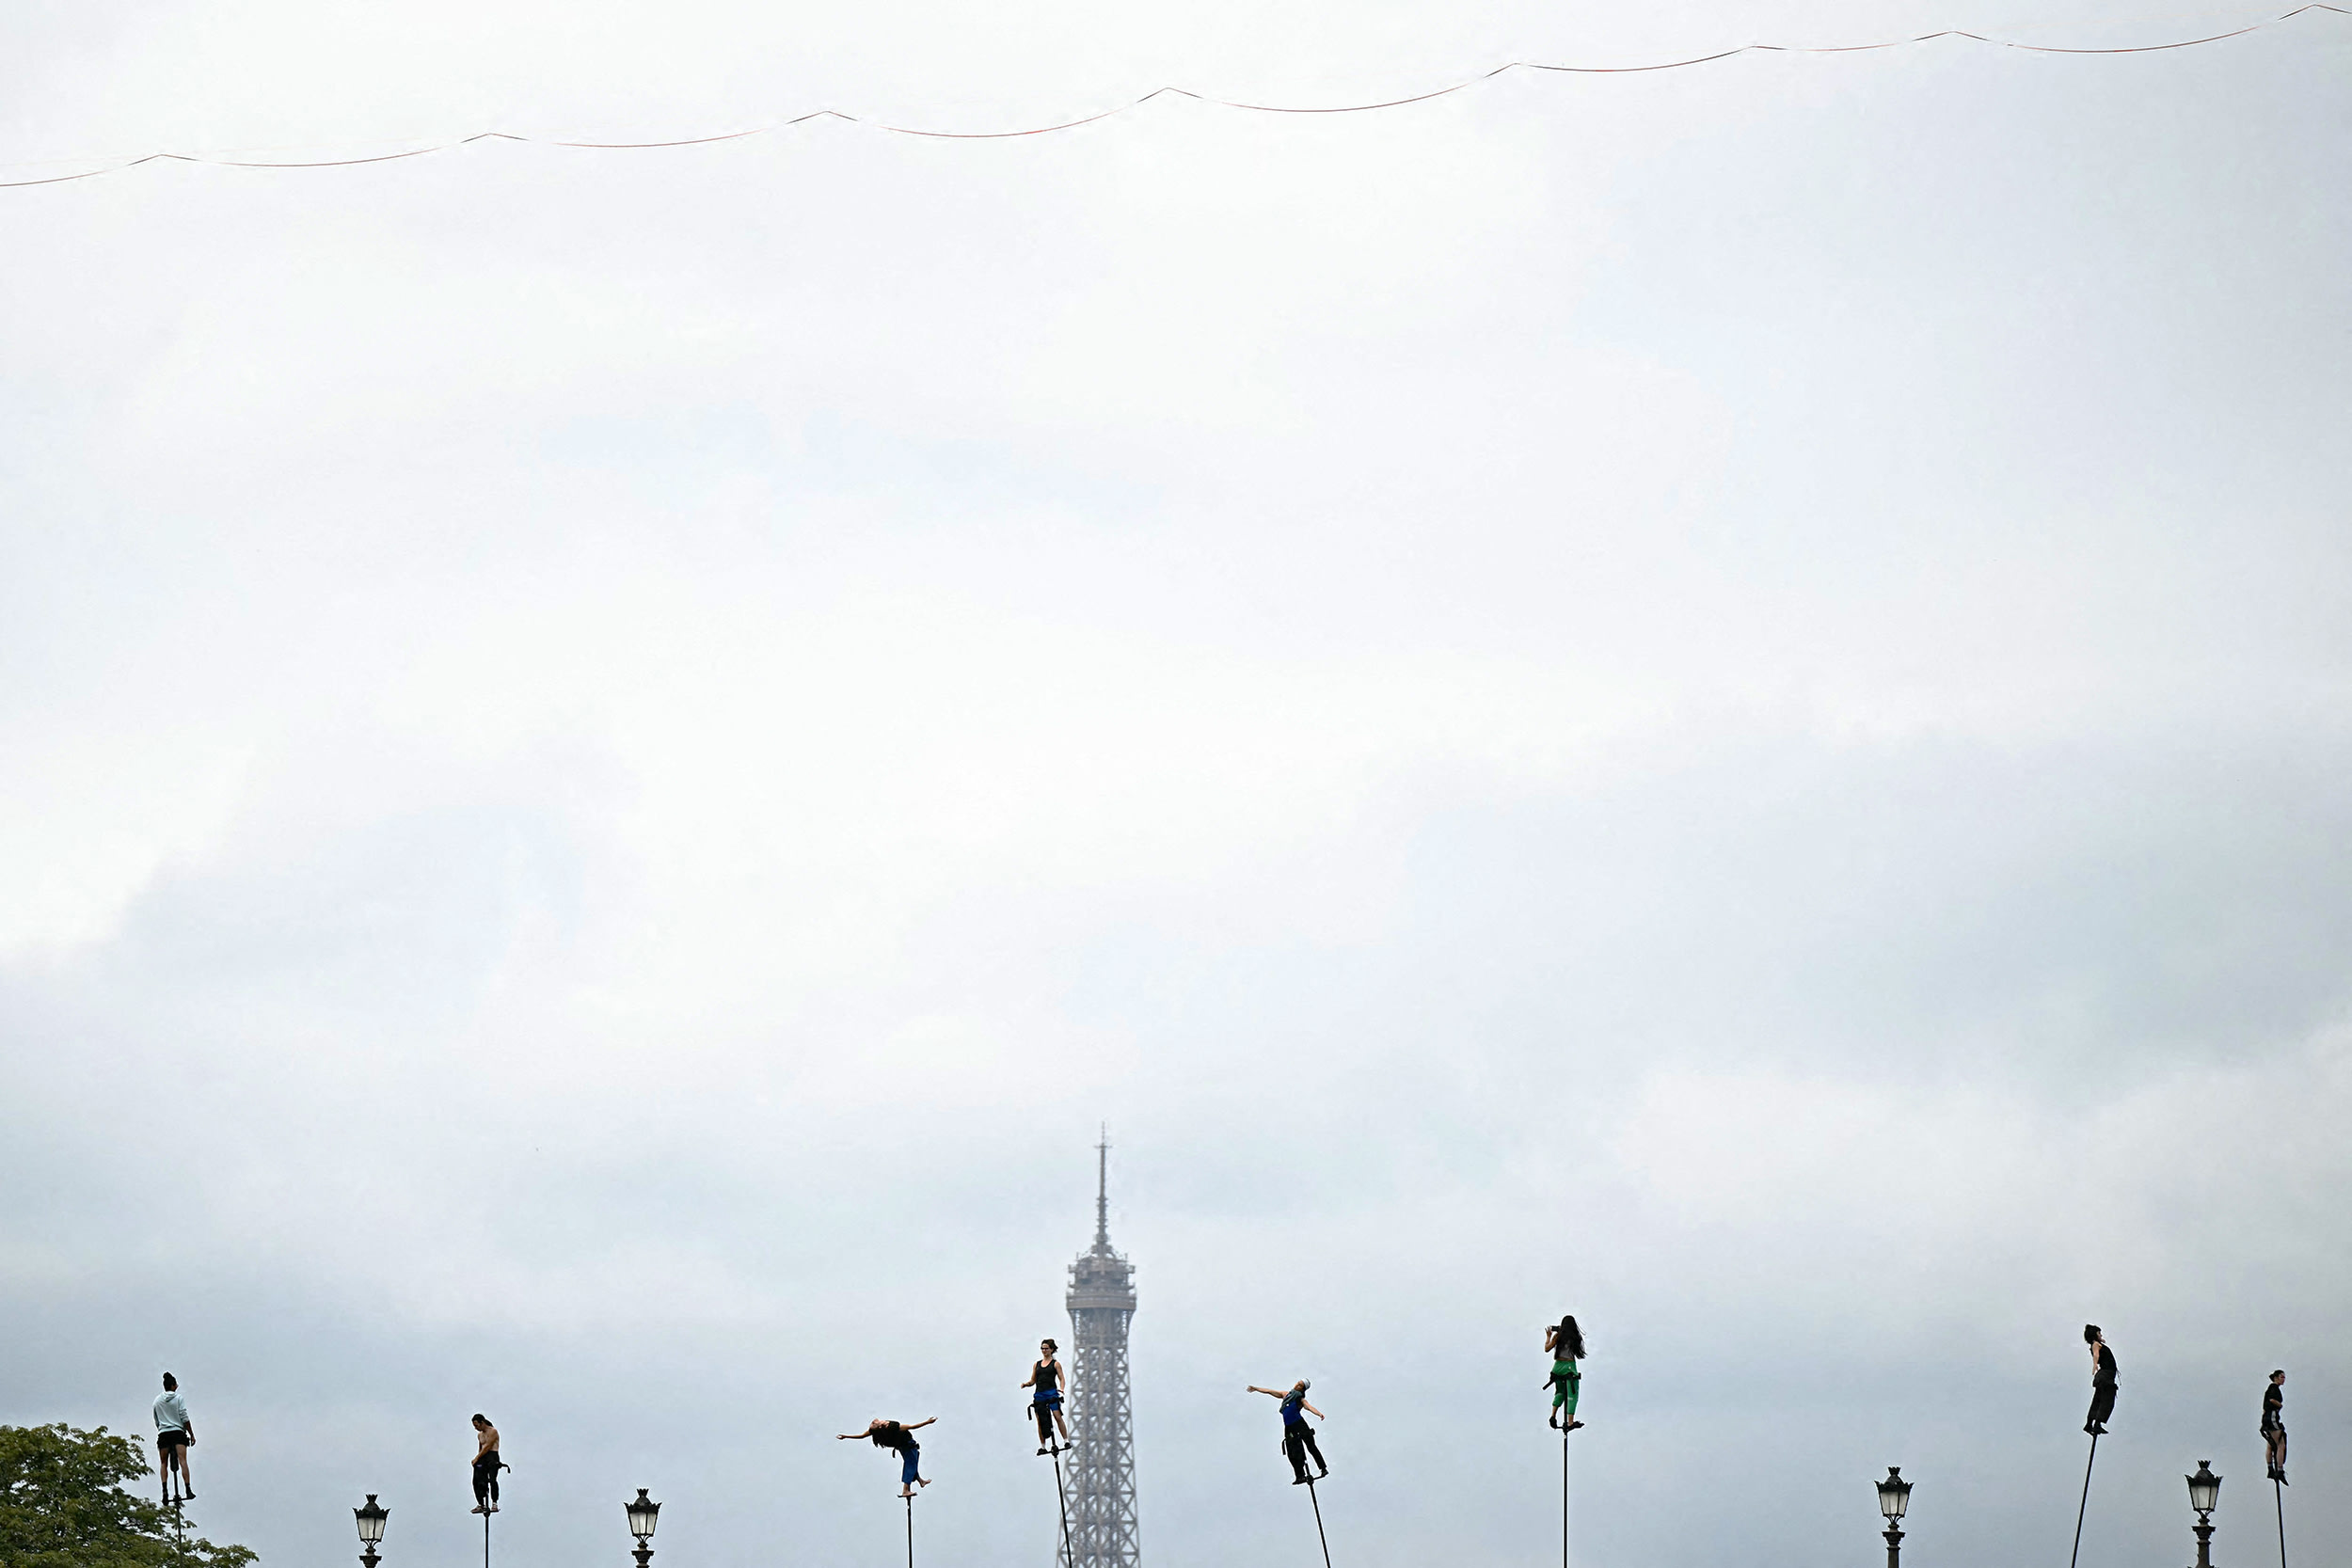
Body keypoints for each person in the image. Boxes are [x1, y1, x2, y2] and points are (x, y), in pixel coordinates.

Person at [1247, 1380, 1328, 1484]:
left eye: (1300, 1385)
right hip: (1289, 1427)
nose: (1297, 1385)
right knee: (1293, 1452)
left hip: (1300, 1424)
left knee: (1311, 1446)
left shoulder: (1300, 1399)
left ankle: (1323, 1468)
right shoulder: (1286, 1394)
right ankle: (1300, 1476)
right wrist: (1256, 1388)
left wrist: (1319, 1414)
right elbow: (1269, 1391)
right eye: (1298, 1383)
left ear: (1302, 1389)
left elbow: (1309, 1407)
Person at [838, 1418, 936, 1498]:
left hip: (906, 1446)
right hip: (907, 1446)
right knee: (910, 1465)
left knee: (913, 1462)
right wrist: (927, 1422)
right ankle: (905, 1490)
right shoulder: (893, 1428)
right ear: (881, 1426)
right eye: (874, 1423)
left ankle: (920, 1481)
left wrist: (846, 1436)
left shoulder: (879, 1430)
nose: (875, 1420)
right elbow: (913, 1427)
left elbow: (861, 1436)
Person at [1022, 1338, 1070, 1454]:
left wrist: (1061, 1389)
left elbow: (1061, 1378)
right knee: (1040, 1421)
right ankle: (1043, 1446)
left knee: (1057, 1416)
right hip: (1039, 1394)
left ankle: (1066, 1440)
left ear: (1052, 1350)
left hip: (1051, 1393)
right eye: (1042, 1348)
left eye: (1046, 1348)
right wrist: (1026, 1384)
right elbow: (1033, 1380)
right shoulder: (1036, 1364)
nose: (1044, 1350)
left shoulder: (1055, 1364)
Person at [153, 1374, 195, 1502]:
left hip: (164, 1434)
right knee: (183, 1461)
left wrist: (162, 1428)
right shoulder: (178, 1398)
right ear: (173, 1386)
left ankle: (165, 1491)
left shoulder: (157, 1400)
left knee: (163, 1463)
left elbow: (156, 1419)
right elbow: (184, 1417)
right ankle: (188, 1489)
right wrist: (191, 1434)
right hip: (178, 1433)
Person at [1544, 1315, 1586, 1432]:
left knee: (1560, 1392)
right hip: (1569, 1367)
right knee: (1572, 1394)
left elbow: (1547, 1348)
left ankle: (1553, 1415)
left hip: (1557, 1367)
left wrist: (1548, 1337)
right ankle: (1570, 1422)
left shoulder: (1558, 1336)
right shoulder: (1574, 1337)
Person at [2083, 1326, 2118, 1435]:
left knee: (2098, 1400)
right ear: (2095, 1335)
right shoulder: (2095, 1345)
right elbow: (2096, 1355)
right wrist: (2094, 1365)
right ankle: (2097, 1424)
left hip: (2103, 1377)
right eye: (2099, 1333)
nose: (2101, 1335)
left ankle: (2089, 1424)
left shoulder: (2097, 1344)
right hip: (2105, 1376)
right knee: (2106, 1400)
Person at [469, 1415, 504, 1514]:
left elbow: (488, 1447)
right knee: (477, 1479)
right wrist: (477, 1460)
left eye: (476, 1425)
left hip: (492, 1456)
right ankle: (481, 1503)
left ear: (482, 1423)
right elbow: (481, 1449)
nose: (476, 1428)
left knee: (492, 1479)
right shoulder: (480, 1435)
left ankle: (494, 1502)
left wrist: (476, 1458)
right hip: (483, 1458)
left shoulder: (493, 1431)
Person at [2262, 1370, 2287, 1482]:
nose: (2283, 1379)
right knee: (2280, 1443)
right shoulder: (2274, 1388)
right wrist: (2280, 1405)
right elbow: (2272, 1400)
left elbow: (2264, 1407)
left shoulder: (2269, 1389)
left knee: (2271, 1444)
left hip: (2266, 1418)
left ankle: (2270, 1468)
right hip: (2272, 1417)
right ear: (2276, 1377)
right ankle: (2279, 1470)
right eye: (2282, 1377)